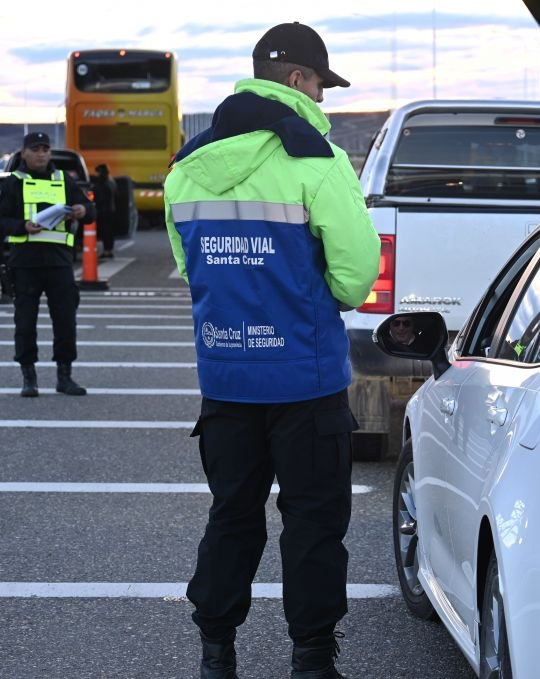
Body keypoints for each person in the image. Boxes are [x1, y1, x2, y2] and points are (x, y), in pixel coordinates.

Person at [164, 22, 380, 679]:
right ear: (295, 80)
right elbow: (355, 274)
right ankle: (312, 659)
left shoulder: (189, 165)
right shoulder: (316, 159)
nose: (323, 98)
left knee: (232, 516)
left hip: (226, 380)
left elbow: (189, 265)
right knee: (313, 524)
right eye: (320, 84)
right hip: (305, 381)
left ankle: (215, 653)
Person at [0, 131, 94, 397]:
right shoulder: (12, 183)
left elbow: (90, 212)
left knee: (65, 321)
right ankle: (28, 377)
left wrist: (82, 210)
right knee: (25, 324)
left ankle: (65, 376)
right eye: (35, 149)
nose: (41, 153)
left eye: (45, 149)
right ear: (24, 153)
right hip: (25, 264)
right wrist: (22, 226)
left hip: (59, 263)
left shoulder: (64, 180)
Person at [92, 164, 117, 258]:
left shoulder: (102, 184)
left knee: (106, 232)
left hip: (104, 211)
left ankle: (107, 251)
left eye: (97, 172)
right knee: (109, 232)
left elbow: (99, 198)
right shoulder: (111, 181)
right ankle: (109, 250)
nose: (95, 174)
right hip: (111, 210)